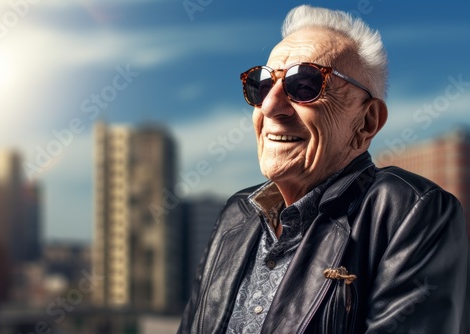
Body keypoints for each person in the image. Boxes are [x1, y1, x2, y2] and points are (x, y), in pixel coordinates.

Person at [178, 4, 469, 334]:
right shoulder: (236, 214)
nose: (271, 106)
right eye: (261, 85)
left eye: (304, 85)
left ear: (367, 121)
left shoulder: (411, 212)